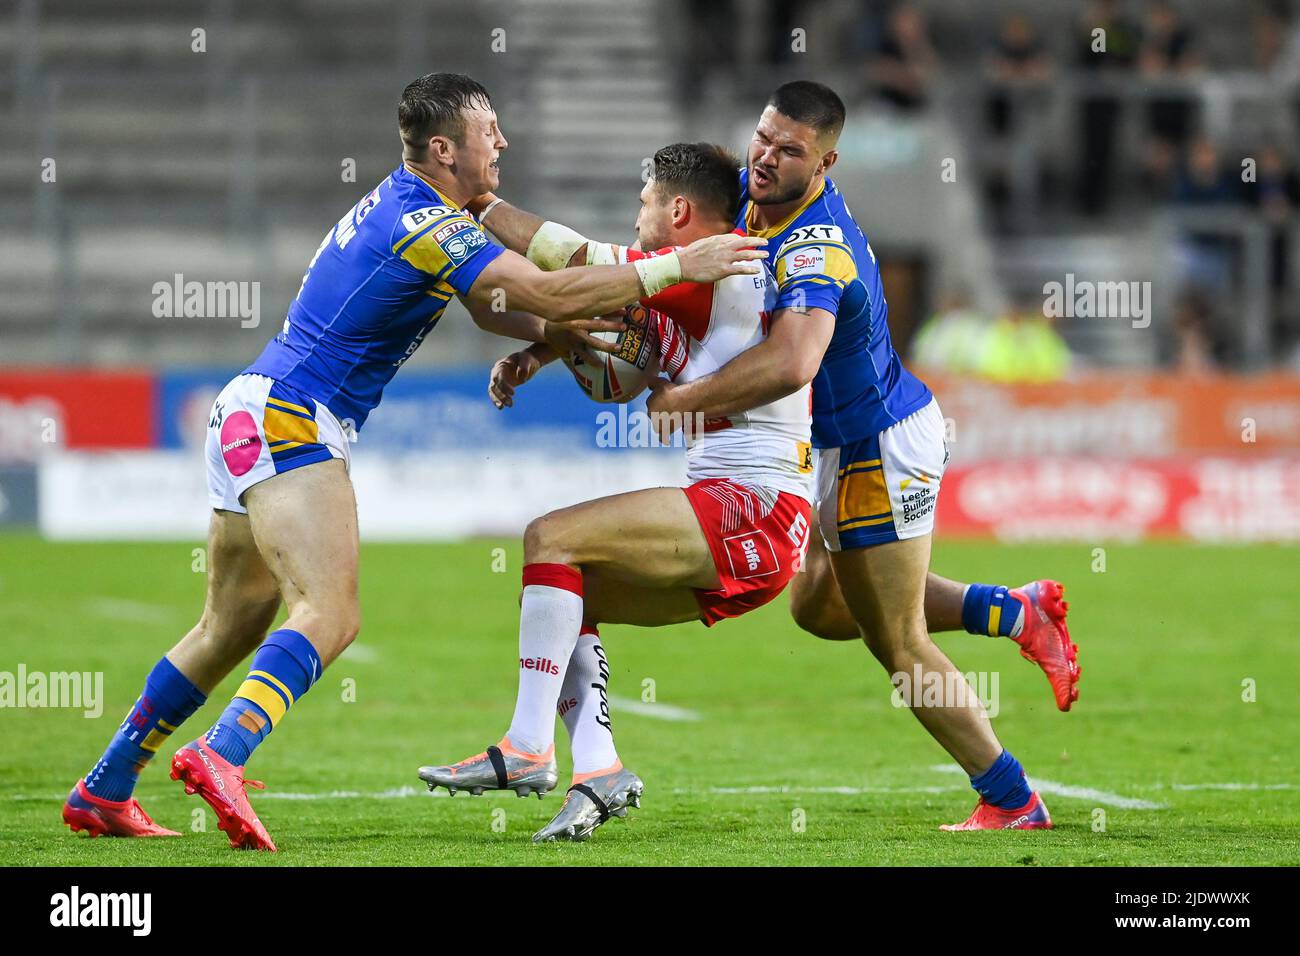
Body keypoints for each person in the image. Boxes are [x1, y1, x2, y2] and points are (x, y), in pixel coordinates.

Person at [61, 74, 764, 851]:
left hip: (249, 411)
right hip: (296, 416)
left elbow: (495, 303)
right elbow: (542, 287)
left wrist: (545, 344)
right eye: (488, 130)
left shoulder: (418, 212)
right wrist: (671, 268)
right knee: (331, 614)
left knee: (228, 626)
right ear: (443, 148)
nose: (503, 142)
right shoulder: (424, 219)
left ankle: (106, 785)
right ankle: (221, 754)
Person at [646, 81, 1078, 829]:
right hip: (843, 444)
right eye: (764, 138)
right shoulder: (757, 203)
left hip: (876, 446)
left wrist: (685, 398)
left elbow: (792, 363)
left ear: (826, 161)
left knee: (897, 640)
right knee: (817, 606)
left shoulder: (817, 247)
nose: (767, 158)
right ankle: (1013, 609)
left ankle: (1011, 798)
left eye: (791, 151)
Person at [417, 142, 816, 842]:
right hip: (750, 519)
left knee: (550, 537)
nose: (637, 218)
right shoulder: (690, 285)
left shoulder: (721, 261)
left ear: (679, 210)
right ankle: (598, 768)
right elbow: (615, 363)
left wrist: (477, 203)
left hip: (757, 505)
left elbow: (570, 258)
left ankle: (526, 747)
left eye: (645, 203)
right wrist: (547, 348)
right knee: (572, 595)